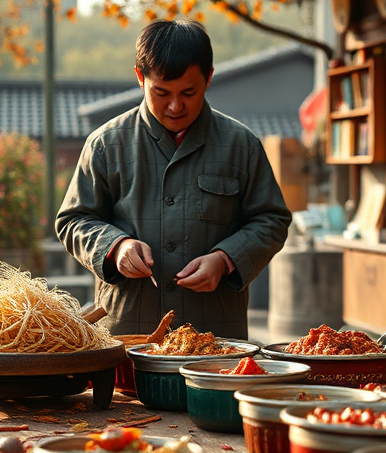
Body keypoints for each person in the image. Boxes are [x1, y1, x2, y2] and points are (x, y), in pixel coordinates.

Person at [56, 19, 292, 339]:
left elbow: (272, 219)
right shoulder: (106, 144)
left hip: (215, 332)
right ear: (140, 78)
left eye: (189, 92)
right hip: (127, 328)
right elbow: (73, 220)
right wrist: (115, 246)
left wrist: (226, 259)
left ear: (208, 78)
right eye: (161, 92)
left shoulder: (241, 145)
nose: (175, 106)